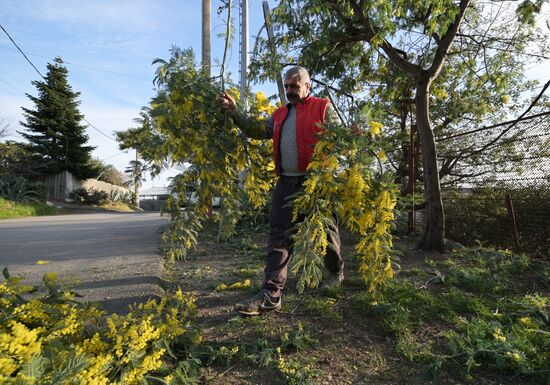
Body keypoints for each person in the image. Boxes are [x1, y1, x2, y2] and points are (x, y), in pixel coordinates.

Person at [219, 66, 345, 316]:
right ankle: (271, 293)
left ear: (307, 86)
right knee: (279, 237)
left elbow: (340, 136)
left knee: (327, 233)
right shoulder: (278, 116)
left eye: (294, 86)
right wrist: (234, 112)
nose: (289, 91)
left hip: (317, 183)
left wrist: (350, 135)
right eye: (287, 86)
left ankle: (335, 272)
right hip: (286, 184)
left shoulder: (323, 108)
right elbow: (256, 130)